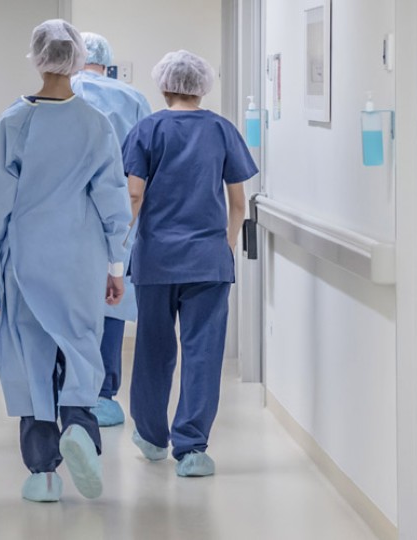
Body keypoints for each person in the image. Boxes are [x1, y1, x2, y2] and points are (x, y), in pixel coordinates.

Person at [0, 19, 132, 503]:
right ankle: (80, 425)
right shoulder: (96, 124)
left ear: (38, 58)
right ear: (78, 58)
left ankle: (42, 472)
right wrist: (116, 266)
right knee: (80, 347)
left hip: (26, 261)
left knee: (31, 358)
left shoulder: (12, 124)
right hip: (82, 260)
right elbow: (114, 201)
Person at [120, 50, 257, 478]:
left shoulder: (147, 129)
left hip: (156, 260)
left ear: (164, 85)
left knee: (152, 350)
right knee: (203, 353)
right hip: (208, 262)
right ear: (202, 87)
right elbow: (239, 203)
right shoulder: (221, 130)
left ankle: (151, 436)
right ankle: (192, 448)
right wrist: (225, 246)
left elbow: (134, 195)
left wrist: (118, 245)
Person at [71, 31, 153, 428]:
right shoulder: (132, 99)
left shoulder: (59, 94)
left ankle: (67, 391)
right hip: (119, 213)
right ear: (108, 63)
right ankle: (102, 395)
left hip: (63, 214)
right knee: (112, 296)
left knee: (64, 303)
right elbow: (147, 164)